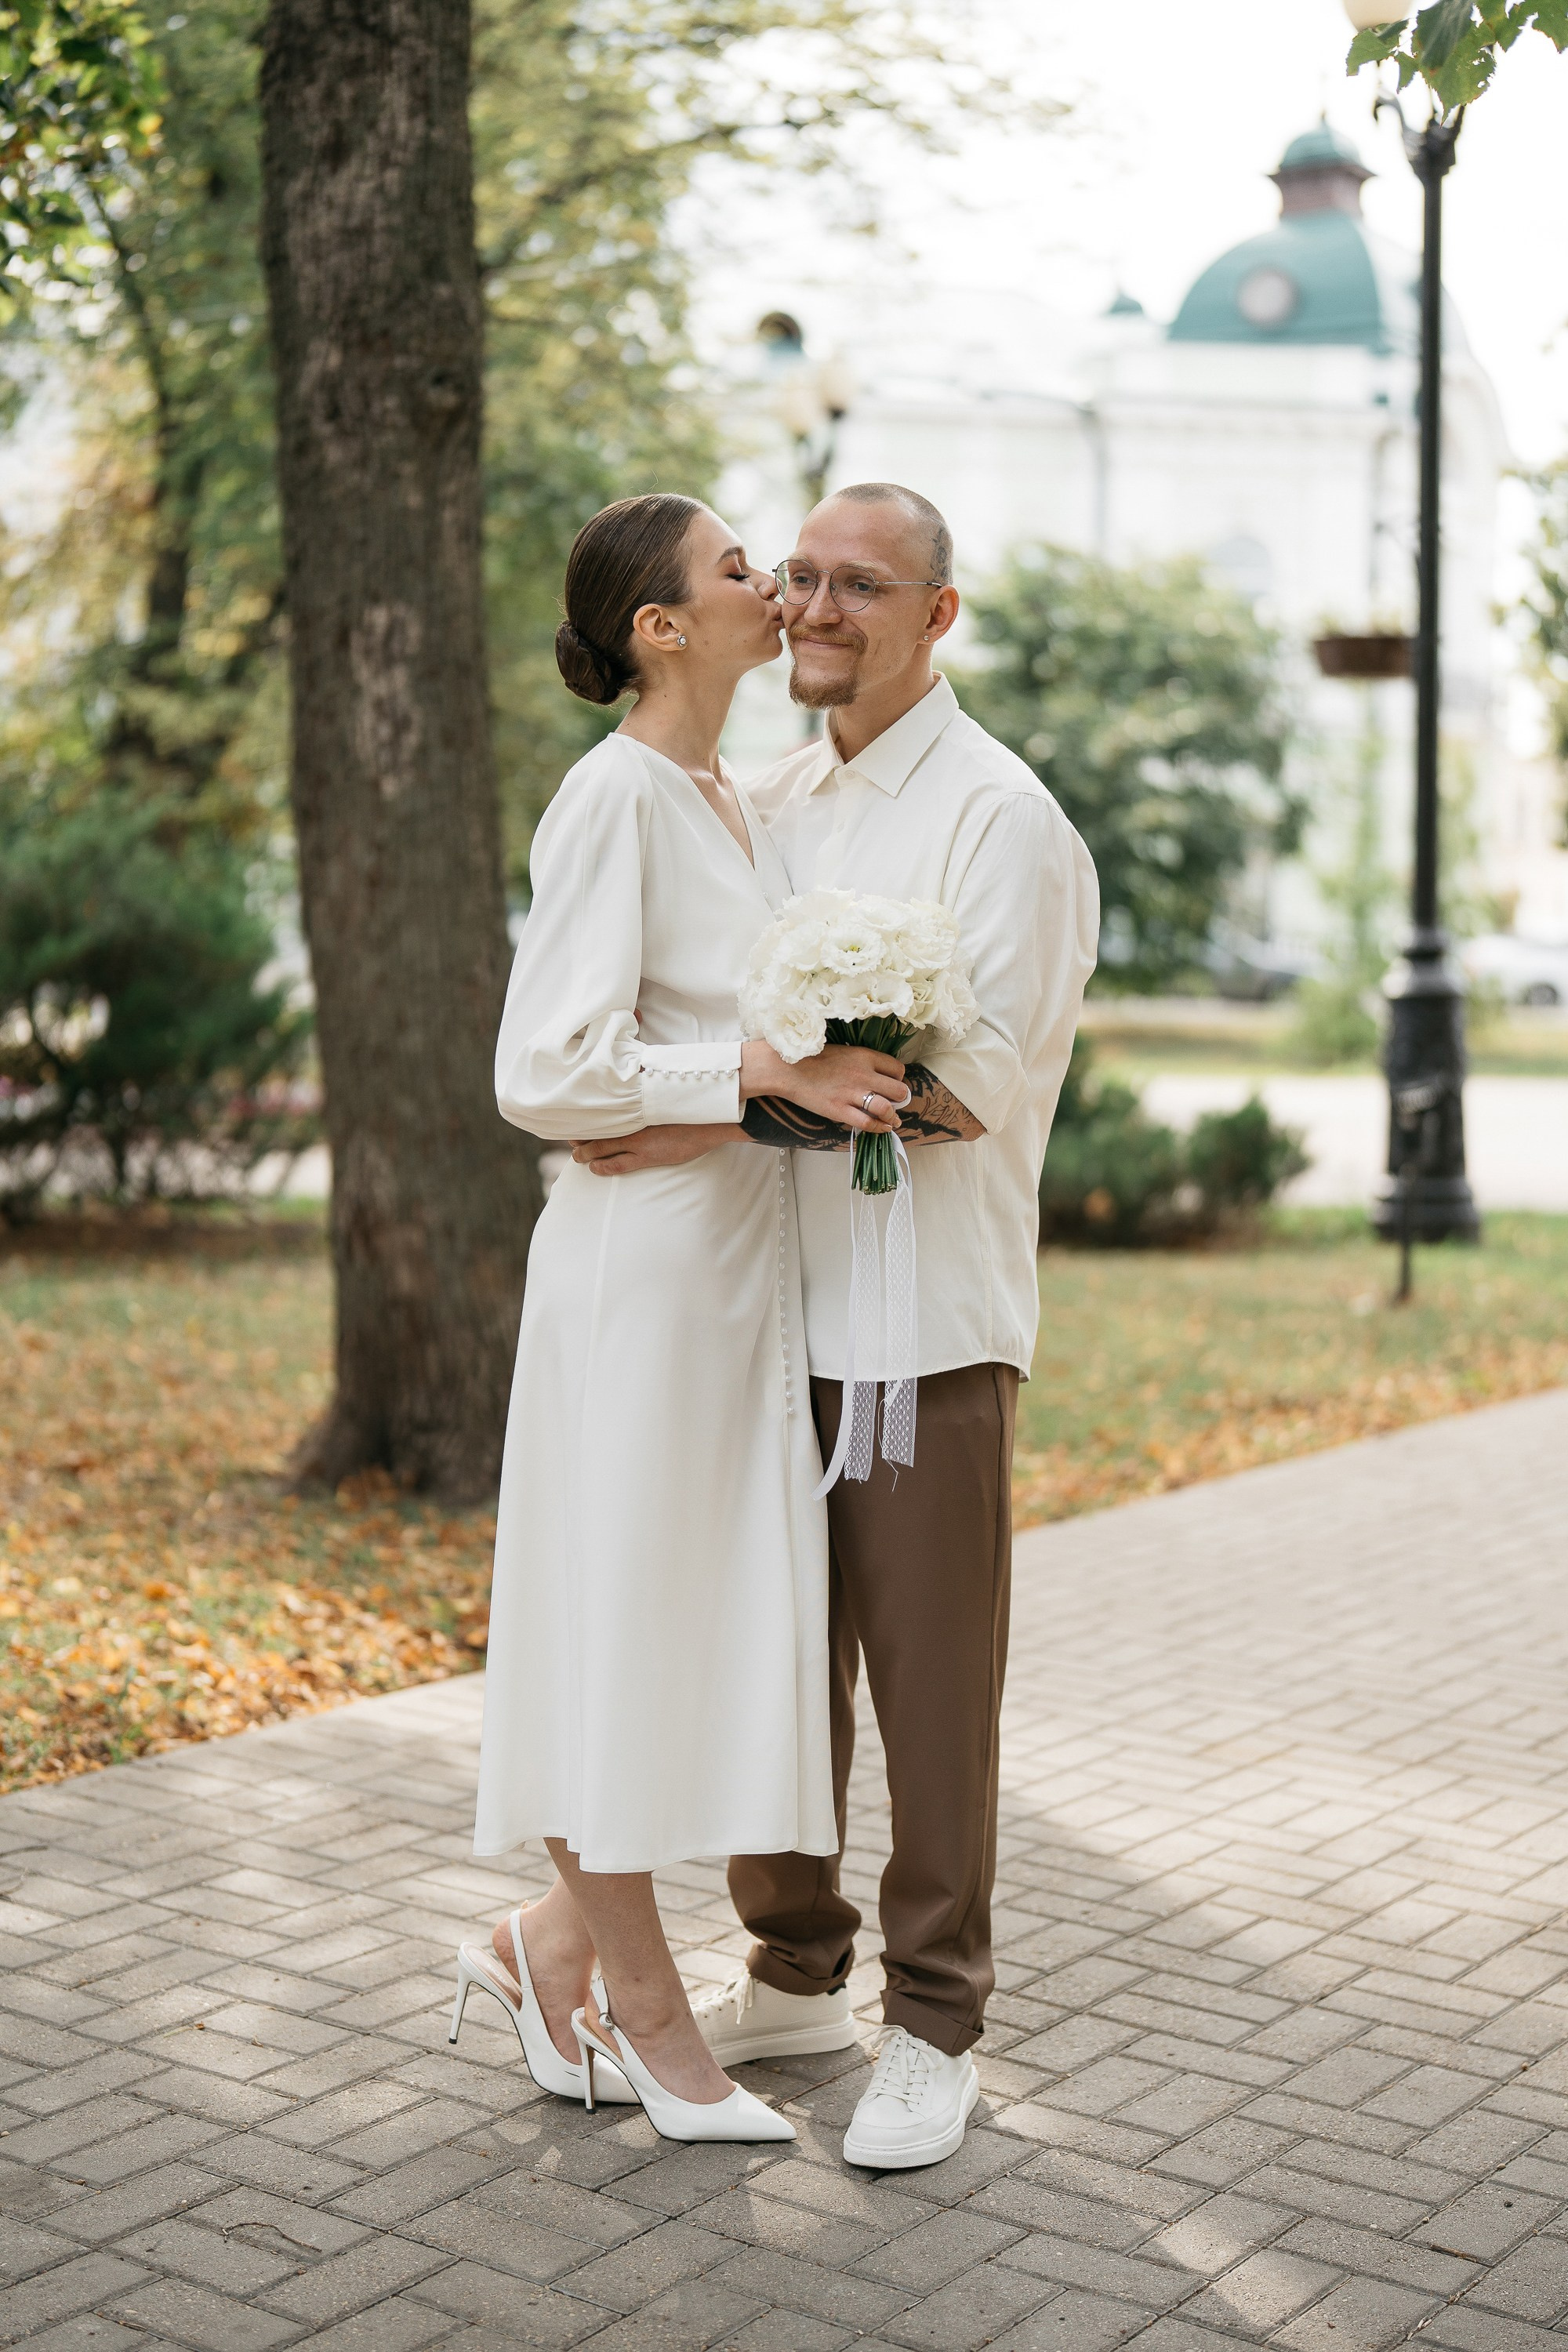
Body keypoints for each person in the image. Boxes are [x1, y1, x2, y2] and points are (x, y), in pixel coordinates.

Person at [574, 482, 1098, 2169]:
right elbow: (702, 1029)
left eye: (857, 585)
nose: (812, 607)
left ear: (936, 615)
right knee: (768, 1677)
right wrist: (697, 1101)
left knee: (932, 1691)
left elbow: (967, 1086)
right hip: (750, 1311)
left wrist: (717, 1107)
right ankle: (794, 1971)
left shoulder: (1000, 819)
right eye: (794, 575)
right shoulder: (759, 792)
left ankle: (935, 2022)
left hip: (919, 1321)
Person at [454, 492, 913, 2144]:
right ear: (661, 628)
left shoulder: (735, 801)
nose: (778, 590)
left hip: (736, 1274)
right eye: (744, 572)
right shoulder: (616, 801)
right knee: (623, 1631)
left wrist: (741, 1098)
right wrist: (749, 1077)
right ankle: (649, 2013)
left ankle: (540, 1950)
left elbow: (704, 1066)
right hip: (638, 1283)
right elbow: (542, 1071)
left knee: (689, 1632)